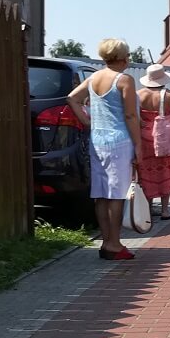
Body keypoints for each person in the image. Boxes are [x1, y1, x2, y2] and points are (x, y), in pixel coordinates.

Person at [67, 38, 142, 260]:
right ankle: (115, 244)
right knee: (117, 195)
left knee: (100, 195)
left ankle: (105, 241)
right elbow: (130, 116)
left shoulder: (93, 78)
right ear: (123, 57)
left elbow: (72, 98)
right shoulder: (124, 80)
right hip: (119, 141)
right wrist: (138, 145)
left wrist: (88, 121)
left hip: (97, 141)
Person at [136, 63, 170, 220]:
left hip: (144, 137)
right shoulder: (168, 95)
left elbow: (129, 111)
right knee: (165, 171)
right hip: (163, 137)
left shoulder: (138, 94)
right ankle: (165, 210)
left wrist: (140, 121)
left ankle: (148, 207)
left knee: (145, 171)